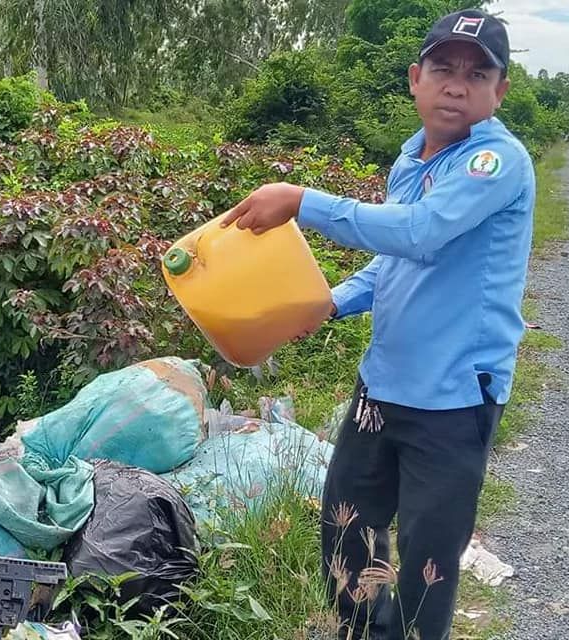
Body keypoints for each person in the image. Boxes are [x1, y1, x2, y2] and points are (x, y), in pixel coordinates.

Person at [221, 9, 534, 640]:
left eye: (477, 75)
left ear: (499, 92)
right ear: (416, 79)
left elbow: (419, 233)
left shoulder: (494, 162)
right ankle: (359, 632)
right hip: (382, 386)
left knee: (426, 561)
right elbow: (396, 260)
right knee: (347, 528)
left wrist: (303, 201)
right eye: (443, 69)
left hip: (452, 399)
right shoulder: (411, 158)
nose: (456, 86)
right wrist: (328, 303)